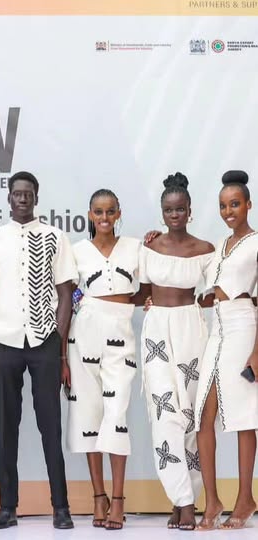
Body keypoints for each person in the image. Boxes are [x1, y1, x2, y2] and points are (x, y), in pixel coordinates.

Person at [0, 171, 76, 530]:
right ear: (8, 197)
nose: (22, 199)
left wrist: (57, 339)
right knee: (7, 425)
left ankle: (60, 507)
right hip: (5, 342)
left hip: (43, 341)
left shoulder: (54, 237)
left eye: (28, 194)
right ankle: (7, 508)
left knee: (50, 425)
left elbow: (65, 293)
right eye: (16, 193)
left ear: (36, 197)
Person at [139, 173, 214, 530]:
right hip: (157, 330)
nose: (174, 215)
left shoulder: (205, 249)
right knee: (164, 414)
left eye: (180, 209)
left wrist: (205, 302)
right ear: (162, 212)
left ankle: (186, 498)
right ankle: (182, 499)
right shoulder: (149, 247)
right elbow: (141, 292)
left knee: (191, 418)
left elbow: (217, 291)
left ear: (189, 211)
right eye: (169, 210)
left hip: (191, 331)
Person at [66, 189, 143, 530]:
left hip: (120, 331)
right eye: (98, 212)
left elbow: (147, 287)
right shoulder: (77, 251)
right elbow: (67, 297)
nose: (104, 218)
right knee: (89, 413)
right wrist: (62, 355)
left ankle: (119, 498)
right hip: (84, 332)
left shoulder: (135, 247)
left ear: (118, 213)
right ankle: (99, 496)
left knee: (116, 413)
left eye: (110, 211)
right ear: (90, 214)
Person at [194, 170, 258, 530]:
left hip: (244, 327)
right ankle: (213, 500)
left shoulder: (256, 242)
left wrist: (257, 352)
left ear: (248, 205)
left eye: (234, 204)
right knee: (203, 416)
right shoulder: (219, 245)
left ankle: (245, 498)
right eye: (223, 206)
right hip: (217, 329)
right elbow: (211, 290)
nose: (228, 211)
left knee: (244, 416)